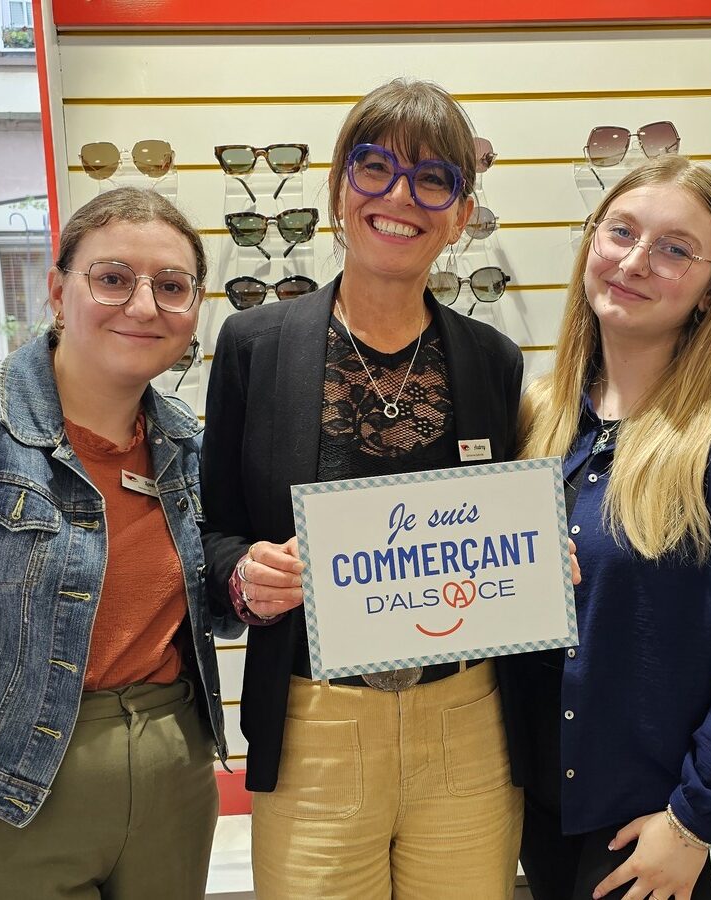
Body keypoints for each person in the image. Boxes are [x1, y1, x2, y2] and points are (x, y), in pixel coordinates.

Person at [0, 187, 236, 900]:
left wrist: (248, 585)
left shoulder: (185, 444)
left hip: (174, 789)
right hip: (7, 802)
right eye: (112, 278)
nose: (143, 306)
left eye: (171, 286)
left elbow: (203, 611)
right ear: (58, 292)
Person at [200, 78, 528, 899]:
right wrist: (244, 577)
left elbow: (505, 542)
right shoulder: (253, 346)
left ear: (461, 213)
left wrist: (537, 565)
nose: (400, 197)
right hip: (314, 722)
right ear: (339, 185)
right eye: (376, 167)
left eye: (433, 180)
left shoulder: (492, 361)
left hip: (467, 723)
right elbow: (213, 533)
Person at [514, 156, 711, 900]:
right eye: (621, 232)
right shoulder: (539, 417)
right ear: (591, 242)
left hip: (669, 836)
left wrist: (698, 821)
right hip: (546, 819)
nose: (635, 262)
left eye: (675, 249)